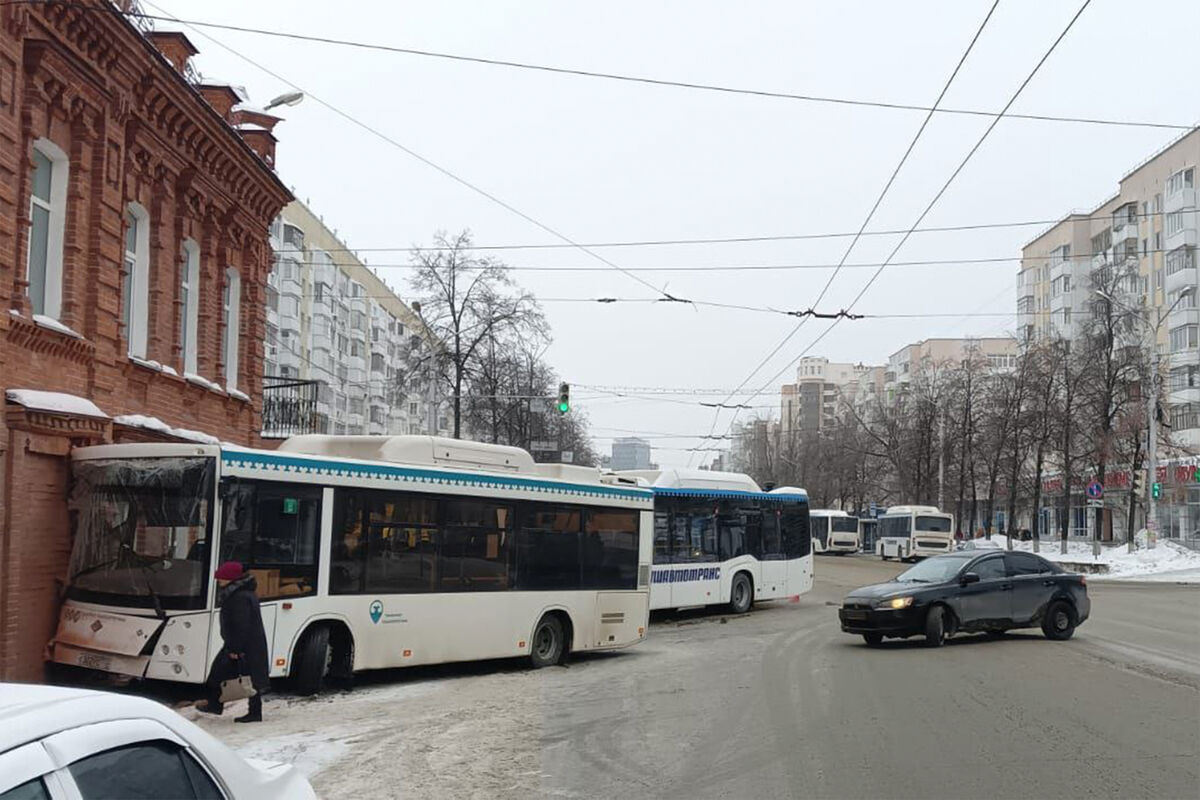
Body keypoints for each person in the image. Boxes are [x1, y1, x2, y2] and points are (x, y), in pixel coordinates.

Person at [197, 561, 270, 723]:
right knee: (249, 678)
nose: (219, 581)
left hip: (241, 645)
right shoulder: (243, 593)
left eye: (222, 578)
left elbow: (240, 624)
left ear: (232, 579)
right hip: (248, 645)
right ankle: (249, 711)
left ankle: (218, 705)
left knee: (220, 675)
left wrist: (235, 649)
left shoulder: (238, 597)